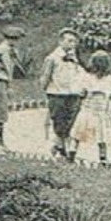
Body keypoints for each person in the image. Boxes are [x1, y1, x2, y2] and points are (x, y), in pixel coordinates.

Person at [40, 28, 87, 160]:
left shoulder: (75, 58)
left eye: (74, 42)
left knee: (70, 121)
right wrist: (47, 91)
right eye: (69, 41)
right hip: (57, 94)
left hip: (73, 94)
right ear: (61, 41)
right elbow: (45, 77)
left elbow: (79, 74)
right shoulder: (52, 58)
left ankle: (60, 147)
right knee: (59, 121)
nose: (72, 44)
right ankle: (61, 149)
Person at [70, 51, 111, 165]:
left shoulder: (87, 78)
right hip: (100, 111)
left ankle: (72, 152)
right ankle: (103, 157)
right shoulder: (109, 80)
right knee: (101, 136)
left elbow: (80, 92)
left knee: (77, 133)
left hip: (87, 110)